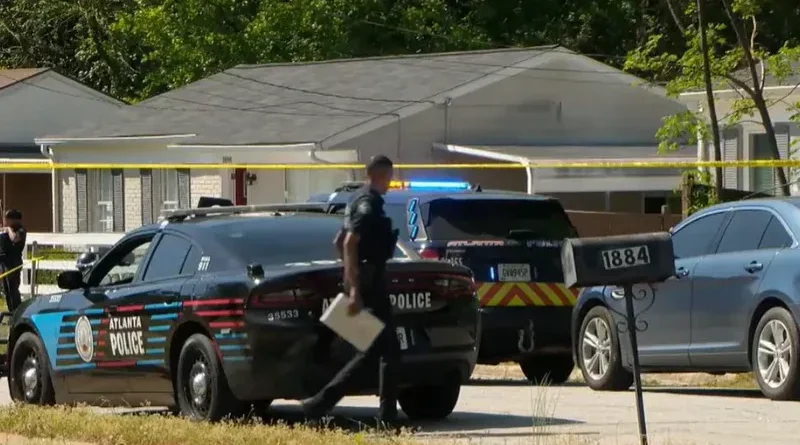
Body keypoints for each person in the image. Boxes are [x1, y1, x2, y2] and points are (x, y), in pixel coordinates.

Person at [302, 155, 400, 426]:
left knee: (382, 351)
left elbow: (338, 241)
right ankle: (320, 403)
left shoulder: (356, 199)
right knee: (384, 351)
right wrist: (354, 287)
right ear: (381, 175)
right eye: (389, 177)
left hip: (366, 280)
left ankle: (385, 416)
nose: (390, 183)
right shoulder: (369, 203)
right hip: (370, 284)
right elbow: (348, 243)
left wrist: (349, 277)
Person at [0, 209, 25, 312]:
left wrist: (9, 229)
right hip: (4, 263)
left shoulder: (21, 230)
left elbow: (14, 239)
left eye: (8, 219)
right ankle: (11, 311)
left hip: (13, 264)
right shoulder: (6, 230)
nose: (6, 221)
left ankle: (17, 311)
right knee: (7, 290)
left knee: (13, 289)